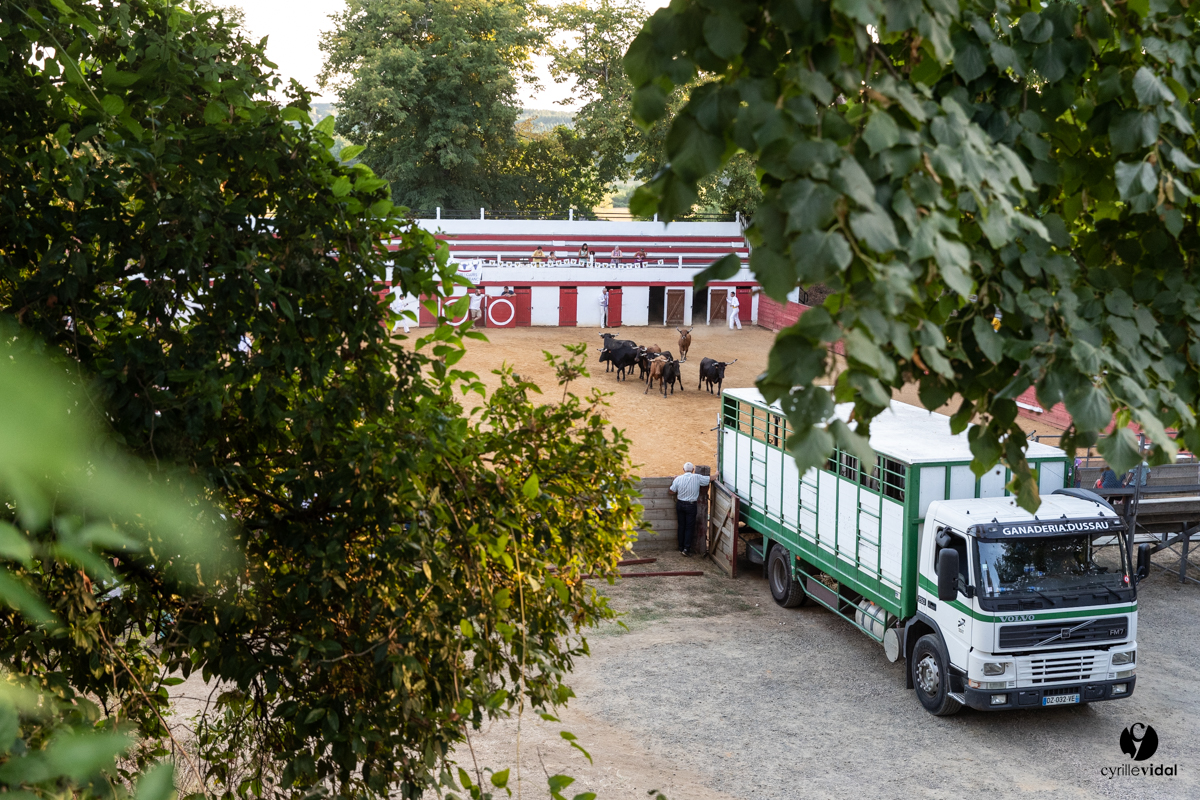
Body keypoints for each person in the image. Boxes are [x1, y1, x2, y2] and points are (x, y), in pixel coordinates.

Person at [669, 462, 710, 556]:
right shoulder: (697, 477)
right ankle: (686, 548)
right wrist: (717, 474)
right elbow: (709, 479)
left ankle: (680, 547)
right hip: (691, 506)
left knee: (681, 526)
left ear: (683, 470)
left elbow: (671, 491)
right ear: (693, 470)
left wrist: (675, 481)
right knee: (689, 527)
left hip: (680, 504)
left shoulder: (678, 479)